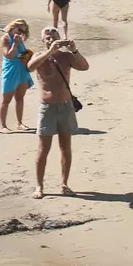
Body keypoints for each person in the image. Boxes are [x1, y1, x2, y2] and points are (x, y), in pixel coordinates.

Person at [27, 31, 89, 197]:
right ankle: (39, 186)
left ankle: (64, 184)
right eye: (48, 37)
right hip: (47, 107)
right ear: (43, 40)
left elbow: (84, 66)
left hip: (65, 106)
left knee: (65, 147)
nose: (51, 38)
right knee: (43, 149)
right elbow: (30, 67)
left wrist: (74, 50)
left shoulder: (66, 57)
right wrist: (49, 51)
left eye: (54, 36)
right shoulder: (40, 56)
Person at [0, 19, 34, 130]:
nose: (20, 33)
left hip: (21, 70)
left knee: (20, 98)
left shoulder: (19, 39)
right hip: (10, 71)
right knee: (6, 100)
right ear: (13, 26)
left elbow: (24, 54)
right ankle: (3, 126)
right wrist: (15, 44)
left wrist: (28, 56)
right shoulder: (5, 38)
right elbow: (8, 55)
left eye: (22, 32)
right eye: (19, 29)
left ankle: (19, 123)